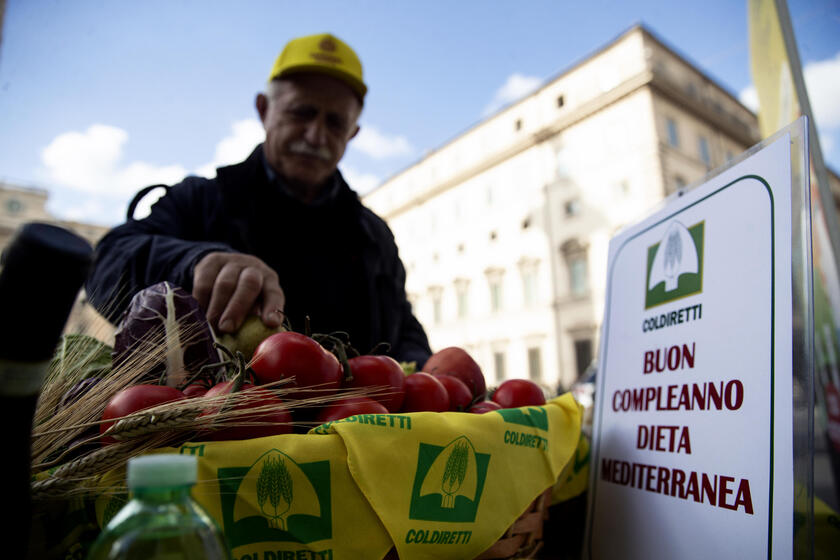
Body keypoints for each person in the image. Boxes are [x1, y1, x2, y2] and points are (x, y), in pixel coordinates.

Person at [86, 33, 432, 366]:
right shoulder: (200, 200)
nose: (315, 135)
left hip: (353, 422)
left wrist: (432, 373)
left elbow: (403, 331)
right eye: (302, 112)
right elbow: (105, 265)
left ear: (353, 133)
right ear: (263, 109)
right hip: (218, 423)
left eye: (335, 123)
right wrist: (194, 263)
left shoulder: (375, 236)